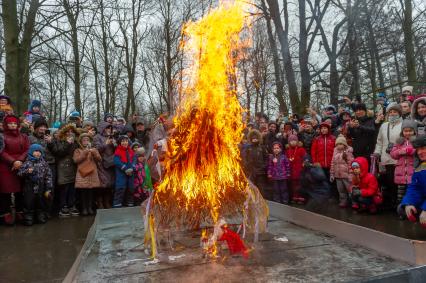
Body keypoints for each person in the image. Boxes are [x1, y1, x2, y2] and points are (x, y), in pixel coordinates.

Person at [0, 115, 30, 225]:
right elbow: (1, 152)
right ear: (6, 125)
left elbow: (27, 149)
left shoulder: (24, 137)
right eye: (10, 123)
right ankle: (5, 213)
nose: (13, 125)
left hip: (20, 165)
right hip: (5, 166)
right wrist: (13, 161)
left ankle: (19, 211)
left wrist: (20, 161)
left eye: (14, 123)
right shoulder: (1, 137)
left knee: (20, 190)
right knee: (5, 191)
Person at [374, 103, 403, 209]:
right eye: (390, 112)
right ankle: (391, 202)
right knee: (388, 181)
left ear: (399, 113)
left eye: (394, 112)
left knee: (398, 183)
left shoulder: (403, 124)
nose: (392, 114)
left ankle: (398, 203)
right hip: (386, 158)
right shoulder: (384, 125)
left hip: (399, 158)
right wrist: (377, 152)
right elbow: (379, 142)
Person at [17, 144, 53, 225]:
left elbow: (48, 176)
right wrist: (27, 172)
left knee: (40, 202)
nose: (38, 153)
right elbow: (19, 174)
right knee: (29, 202)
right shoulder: (27, 163)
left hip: (41, 186)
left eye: (39, 151)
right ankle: (28, 217)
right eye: (35, 151)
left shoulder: (44, 163)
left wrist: (48, 187)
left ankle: (40, 215)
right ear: (31, 152)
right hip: (29, 186)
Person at [51, 124, 80, 217]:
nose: (70, 133)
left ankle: (72, 205)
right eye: (68, 131)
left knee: (72, 187)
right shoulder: (60, 141)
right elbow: (59, 152)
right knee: (64, 187)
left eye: (72, 131)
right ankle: (63, 206)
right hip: (63, 166)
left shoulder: (76, 142)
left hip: (73, 166)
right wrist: (67, 143)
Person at [398, 135, 426, 226]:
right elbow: (414, 188)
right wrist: (408, 203)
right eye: (418, 149)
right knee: (402, 208)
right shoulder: (420, 166)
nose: (420, 152)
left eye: (423, 148)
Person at [73, 133, 102, 216]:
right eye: (84, 140)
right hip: (82, 173)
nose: (86, 142)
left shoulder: (94, 149)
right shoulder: (77, 150)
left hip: (92, 173)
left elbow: (99, 159)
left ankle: (90, 207)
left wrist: (94, 153)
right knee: (83, 191)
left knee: (91, 191)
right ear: (81, 142)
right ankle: (84, 208)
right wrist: (85, 152)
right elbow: (76, 160)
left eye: (87, 140)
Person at [390, 119, 417, 205]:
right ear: (402, 132)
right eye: (406, 131)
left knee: (411, 193)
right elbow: (393, 154)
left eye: (410, 131)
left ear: (414, 131)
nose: (408, 133)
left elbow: (419, 152)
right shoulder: (399, 142)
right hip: (400, 174)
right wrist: (400, 151)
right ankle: (401, 211)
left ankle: (411, 210)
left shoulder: (416, 141)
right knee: (400, 195)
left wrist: (411, 151)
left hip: (412, 173)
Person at [93, 122, 116, 209]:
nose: (109, 130)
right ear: (103, 128)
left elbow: (116, 150)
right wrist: (105, 144)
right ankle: (100, 203)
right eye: (107, 128)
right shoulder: (97, 137)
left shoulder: (111, 137)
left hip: (111, 163)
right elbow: (96, 149)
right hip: (101, 163)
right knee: (102, 185)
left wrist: (115, 144)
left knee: (110, 184)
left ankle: (107, 202)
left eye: (110, 128)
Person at [243, 129, 270, 200]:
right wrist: (248, 166)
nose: (254, 139)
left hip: (261, 171)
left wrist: (264, 166)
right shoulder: (248, 148)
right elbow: (244, 158)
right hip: (251, 171)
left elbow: (267, 158)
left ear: (259, 138)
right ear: (250, 139)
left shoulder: (262, 148)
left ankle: (261, 200)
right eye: (253, 138)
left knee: (261, 187)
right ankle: (252, 200)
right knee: (251, 187)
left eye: (256, 138)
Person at [330, 135, 354, 207]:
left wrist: (351, 175)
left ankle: (353, 202)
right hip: (338, 175)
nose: (338, 146)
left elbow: (351, 164)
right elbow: (332, 163)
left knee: (349, 189)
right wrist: (332, 174)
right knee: (341, 190)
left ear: (344, 144)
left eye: (340, 144)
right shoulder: (335, 152)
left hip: (346, 175)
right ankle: (343, 201)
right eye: (337, 144)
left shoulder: (348, 152)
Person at [113, 135, 135, 207]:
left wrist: (132, 168)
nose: (124, 142)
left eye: (126, 141)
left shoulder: (131, 151)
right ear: (120, 142)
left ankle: (130, 202)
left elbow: (134, 160)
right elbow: (117, 161)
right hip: (121, 173)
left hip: (130, 172)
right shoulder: (118, 151)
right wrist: (124, 168)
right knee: (120, 187)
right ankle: (117, 203)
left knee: (130, 188)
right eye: (123, 141)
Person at [285, 134, 307, 204]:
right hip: (291, 172)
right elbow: (285, 160)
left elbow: (305, 158)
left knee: (300, 184)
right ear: (289, 142)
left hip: (300, 171)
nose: (293, 142)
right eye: (291, 141)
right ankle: (295, 197)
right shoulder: (287, 151)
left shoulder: (301, 149)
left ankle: (301, 197)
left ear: (297, 141)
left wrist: (304, 163)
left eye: (294, 140)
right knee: (293, 185)